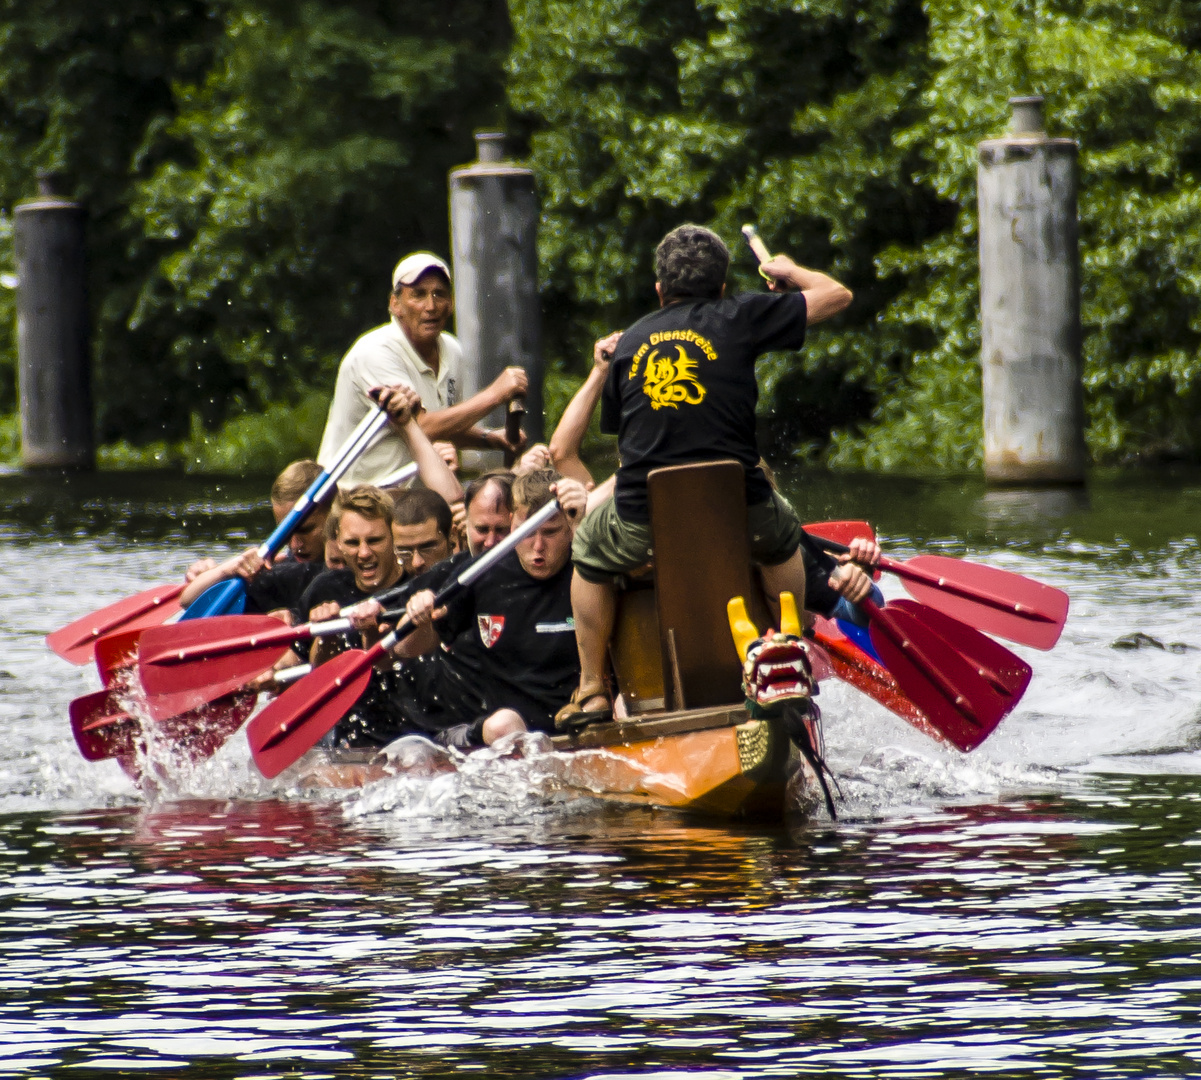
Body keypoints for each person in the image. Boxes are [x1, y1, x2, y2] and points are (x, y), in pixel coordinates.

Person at [561, 223, 875, 724]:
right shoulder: (744, 313)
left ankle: (593, 688)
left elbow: (628, 439)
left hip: (643, 524)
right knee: (783, 538)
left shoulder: (629, 343)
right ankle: (787, 651)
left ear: (659, 290)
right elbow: (837, 296)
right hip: (740, 511)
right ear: (723, 287)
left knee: (585, 554)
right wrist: (788, 272)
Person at [388, 469, 588, 748]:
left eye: (551, 532)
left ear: (569, 526)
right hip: (506, 733)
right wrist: (420, 618)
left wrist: (584, 518)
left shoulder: (590, 567)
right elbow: (405, 649)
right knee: (503, 724)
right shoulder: (481, 571)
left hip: (580, 722)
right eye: (528, 532)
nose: (538, 547)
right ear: (512, 522)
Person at [317, 252, 528, 487]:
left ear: (451, 303)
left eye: (440, 294)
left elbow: (447, 424)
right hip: (357, 500)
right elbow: (423, 427)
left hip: (412, 503)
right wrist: (495, 395)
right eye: (418, 295)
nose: (431, 306)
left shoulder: (451, 350)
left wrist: (489, 438)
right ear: (395, 304)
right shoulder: (375, 351)